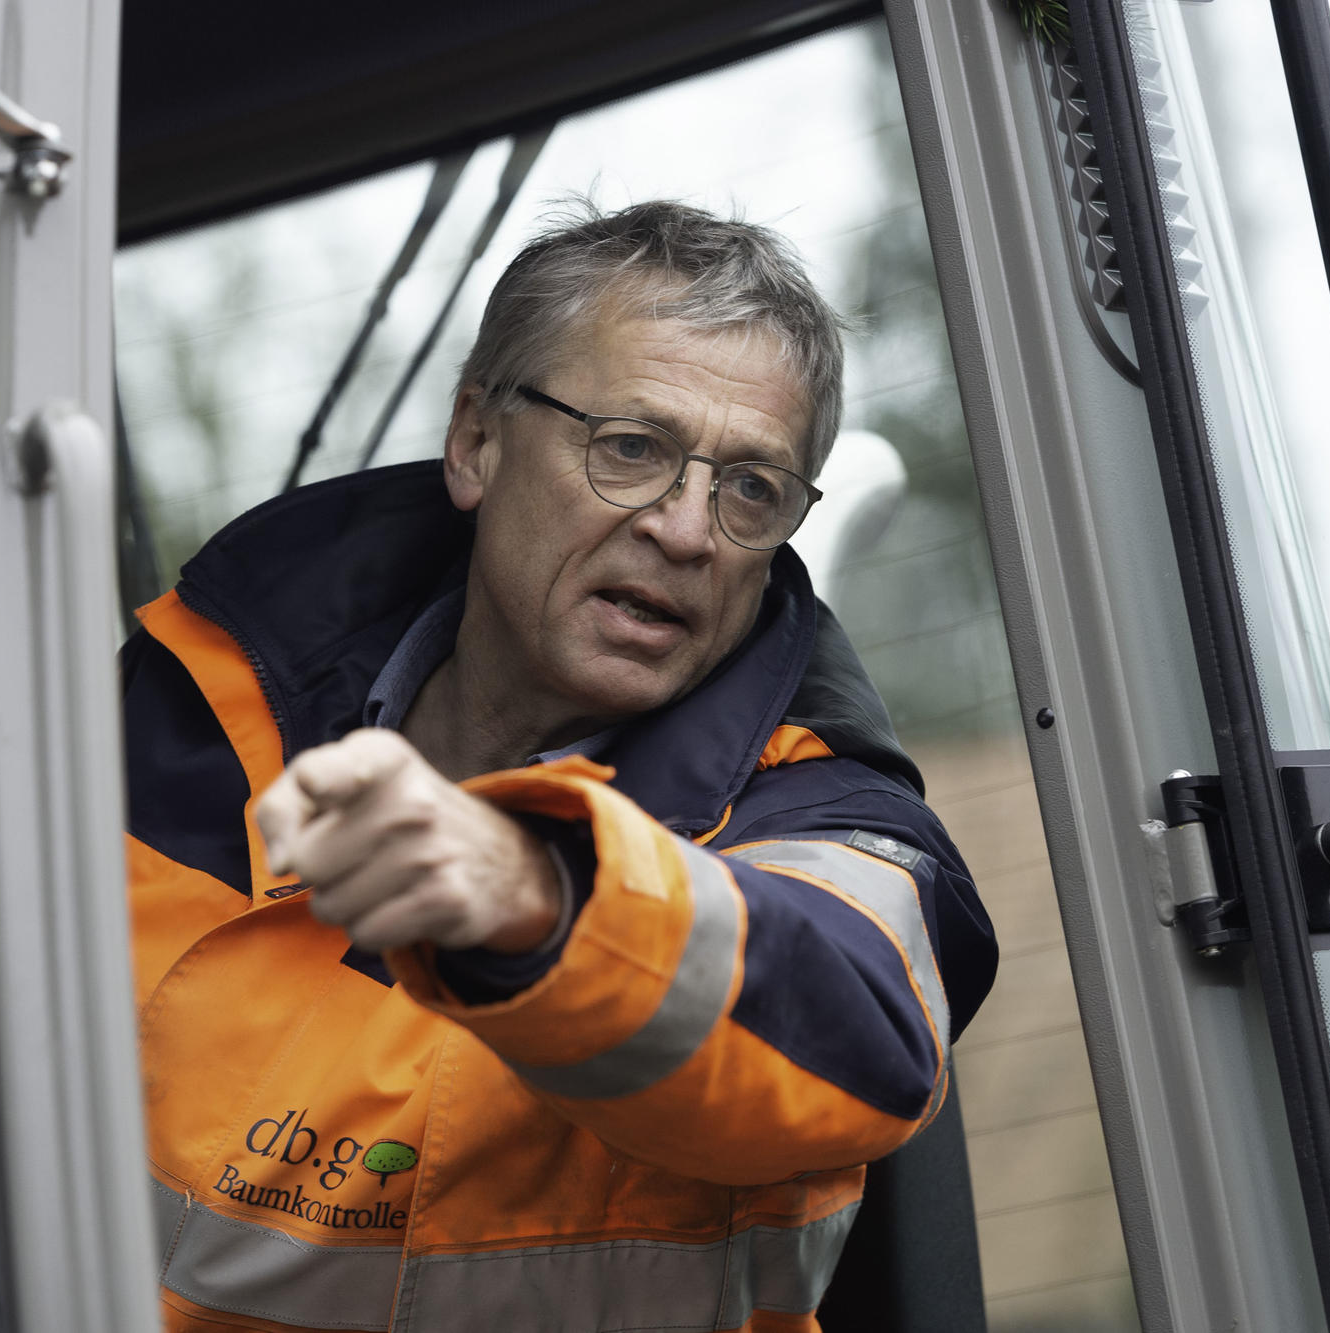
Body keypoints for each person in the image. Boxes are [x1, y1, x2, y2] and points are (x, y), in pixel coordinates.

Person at [121, 199, 996, 1331]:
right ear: (476, 440)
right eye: (631, 448)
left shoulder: (831, 818)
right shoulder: (177, 709)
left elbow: (857, 1014)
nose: (685, 532)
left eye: (749, 490)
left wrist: (545, 893)